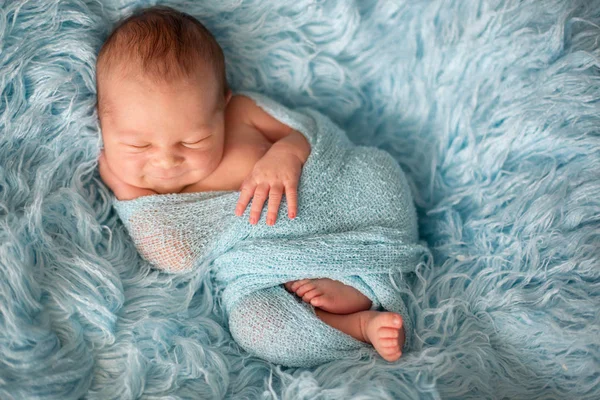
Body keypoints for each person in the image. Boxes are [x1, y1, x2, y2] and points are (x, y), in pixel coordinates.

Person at [96, 5, 405, 363]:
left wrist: (287, 153)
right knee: (255, 326)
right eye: (138, 145)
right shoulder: (148, 192)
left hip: (334, 203)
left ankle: (359, 284)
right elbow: (173, 253)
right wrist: (123, 188)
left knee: (380, 173)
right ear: (101, 122)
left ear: (222, 104)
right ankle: (356, 324)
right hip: (268, 268)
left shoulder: (243, 113)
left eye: (192, 141)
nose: (166, 161)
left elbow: (311, 131)